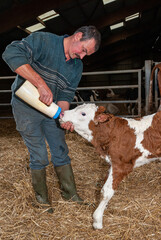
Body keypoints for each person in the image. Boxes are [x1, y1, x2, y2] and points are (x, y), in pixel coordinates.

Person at [2, 26, 101, 212]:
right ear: (78, 36)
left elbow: (66, 95)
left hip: (52, 109)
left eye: (87, 54)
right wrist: (40, 84)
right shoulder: (43, 40)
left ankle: (70, 194)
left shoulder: (76, 66)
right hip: (25, 108)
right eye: (84, 50)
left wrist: (64, 117)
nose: (83, 56)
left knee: (61, 150)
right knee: (39, 155)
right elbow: (11, 52)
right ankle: (42, 201)